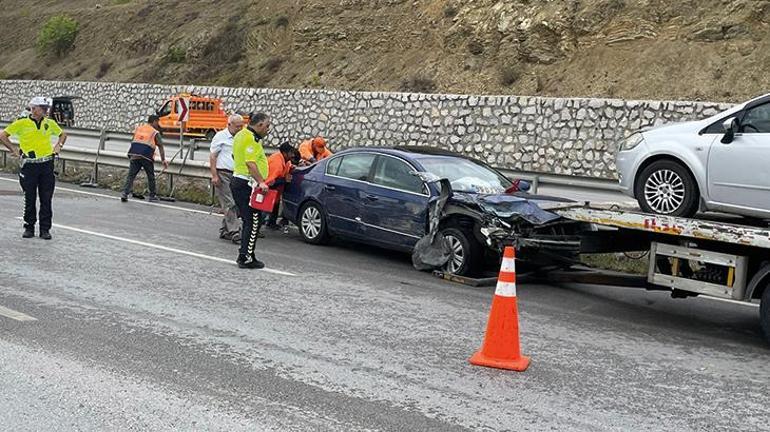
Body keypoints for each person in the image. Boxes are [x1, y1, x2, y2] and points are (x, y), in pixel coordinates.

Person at [0, 96, 67, 239]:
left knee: (46, 198)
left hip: (46, 164)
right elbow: (3, 135)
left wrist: (58, 146)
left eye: (46, 108)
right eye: (43, 108)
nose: (45, 110)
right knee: (29, 197)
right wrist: (13, 149)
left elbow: (62, 134)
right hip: (29, 165)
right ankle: (29, 226)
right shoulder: (22, 123)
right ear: (34, 109)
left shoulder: (49, 123)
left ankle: (45, 229)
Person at [230, 112, 271, 269]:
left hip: (239, 180)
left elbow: (235, 156)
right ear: (259, 125)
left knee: (251, 219)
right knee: (253, 220)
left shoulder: (241, 135)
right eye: (267, 126)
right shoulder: (251, 138)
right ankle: (246, 257)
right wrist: (261, 181)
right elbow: (250, 163)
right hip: (246, 183)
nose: (268, 129)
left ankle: (246, 254)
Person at [209, 114, 244, 242]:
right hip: (223, 173)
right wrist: (214, 175)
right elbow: (213, 156)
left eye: (241, 126)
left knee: (234, 203)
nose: (240, 129)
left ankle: (225, 230)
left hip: (237, 174)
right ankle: (234, 231)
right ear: (229, 125)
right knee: (230, 203)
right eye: (237, 126)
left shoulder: (241, 137)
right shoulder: (220, 137)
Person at [121, 115, 168, 202]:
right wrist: (163, 160)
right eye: (157, 122)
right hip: (146, 156)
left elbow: (133, 140)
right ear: (154, 121)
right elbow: (161, 146)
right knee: (150, 176)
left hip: (134, 154)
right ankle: (152, 195)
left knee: (131, 176)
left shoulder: (139, 128)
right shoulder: (154, 132)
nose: (158, 124)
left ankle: (125, 193)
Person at [264, 142, 296, 230]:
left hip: (276, 189)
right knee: (263, 208)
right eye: (291, 153)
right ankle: (255, 228)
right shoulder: (276, 163)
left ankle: (271, 223)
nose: (292, 155)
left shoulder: (286, 160)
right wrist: (284, 180)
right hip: (267, 189)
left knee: (275, 204)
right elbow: (270, 182)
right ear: (285, 153)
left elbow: (288, 167)